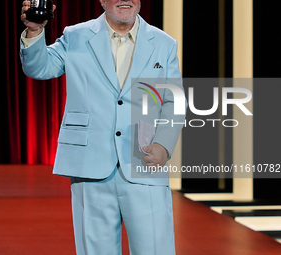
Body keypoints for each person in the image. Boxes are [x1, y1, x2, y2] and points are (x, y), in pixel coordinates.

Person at [20, 1, 185, 254]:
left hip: (143, 162)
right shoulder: (75, 36)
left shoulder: (163, 43)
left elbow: (174, 101)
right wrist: (34, 32)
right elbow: (39, 68)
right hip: (90, 164)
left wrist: (163, 144)